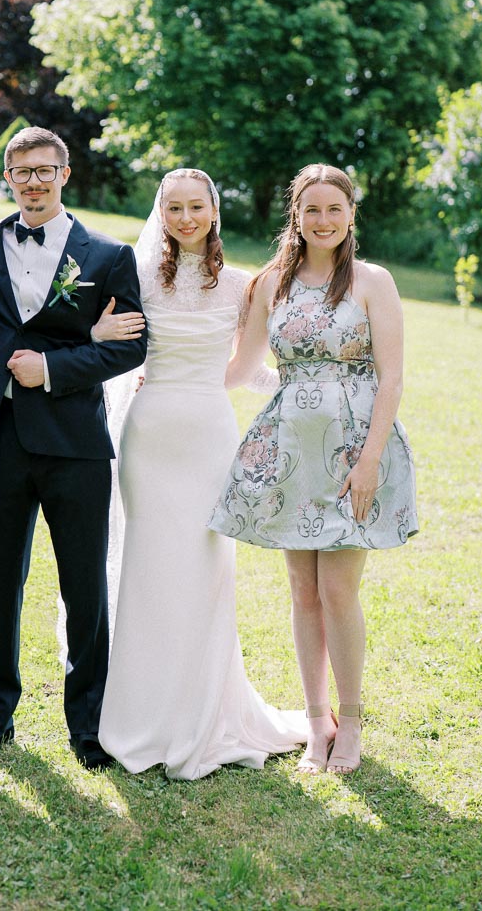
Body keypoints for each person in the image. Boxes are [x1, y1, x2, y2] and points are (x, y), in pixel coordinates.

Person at [93, 169, 307, 780]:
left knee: (206, 571)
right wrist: (97, 332)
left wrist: (301, 385)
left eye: (196, 207)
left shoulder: (242, 286)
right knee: (149, 569)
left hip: (209, 438)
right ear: (161, 214)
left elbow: (248, 369)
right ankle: (143, 712)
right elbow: (109, 347)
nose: (185, 218)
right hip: (150, 437)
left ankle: (207, 710)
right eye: (174, 208)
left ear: (214, 210)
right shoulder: (136, 278)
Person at [209, 163, 418, 775]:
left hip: (356, 449)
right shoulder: (271, 283)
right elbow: (243, 367)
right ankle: (316, 722)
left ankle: (351, 723)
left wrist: (370, 461)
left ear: (351, 214)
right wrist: (171, 378)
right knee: (303, 591)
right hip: (292, 448)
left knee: (338, 590)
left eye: (334, 209)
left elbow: (392, 378)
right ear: (296, 216)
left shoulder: (373, 282)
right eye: (311, 210)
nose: (323, 220)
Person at [0, 126, 147, 771]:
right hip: (0, 440)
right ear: (8, 178)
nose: (34, 182)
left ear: (64, 175)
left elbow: (132, 345)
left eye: (45, 170)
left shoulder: (108, 255)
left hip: (75, 443)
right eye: (22, 172)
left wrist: (55, 367)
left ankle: (89, 726)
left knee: (84, 586)